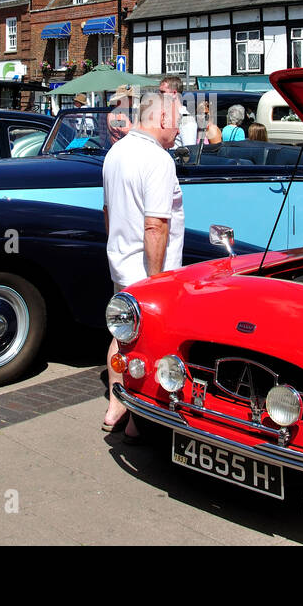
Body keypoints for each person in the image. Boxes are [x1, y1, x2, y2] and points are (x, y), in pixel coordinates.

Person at [101, 85, 184, 440]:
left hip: (120, 264)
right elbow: (156, 225)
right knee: (148, 348)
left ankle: (115, 404)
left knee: (121, 336)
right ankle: (138, 419)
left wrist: (116, 248)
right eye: (177, 120)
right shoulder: (158, 160)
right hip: (150, 275)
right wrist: (158, 282)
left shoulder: (115, 153)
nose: (179, 128)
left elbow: (108, 212)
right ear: (162, 116)